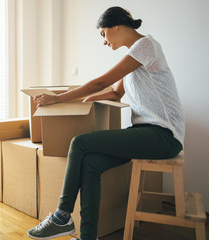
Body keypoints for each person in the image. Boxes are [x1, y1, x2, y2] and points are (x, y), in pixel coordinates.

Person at [27, 6, 184, 240]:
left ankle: (62, 217)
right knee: (91, 163)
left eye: (103, 33)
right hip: (145, 133)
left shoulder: (146, 46)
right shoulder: (133, 57)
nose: (103, 41)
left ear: (117, 26)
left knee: (79, 144)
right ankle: (87, 237)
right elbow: (114, 94)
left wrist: (57, 99)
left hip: (163, 135)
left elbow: (100, 83)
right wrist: (89, 98)